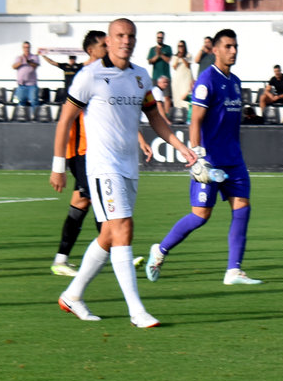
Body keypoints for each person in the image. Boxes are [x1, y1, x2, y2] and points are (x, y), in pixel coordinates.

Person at [50, 18, 197, 328]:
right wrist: (58, 166)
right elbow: (65, 121)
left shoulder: (140, 77)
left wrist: (179, 145)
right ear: (109, 39)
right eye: (119, 35)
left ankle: (72, 295)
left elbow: (154, 116)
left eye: (130, 36)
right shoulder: (89, 76)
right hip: (102, 166)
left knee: (108, 234)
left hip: (128, 166)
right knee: (124, 227)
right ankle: (136, 311)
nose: (125, 40)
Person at [145, 29, 263, 287]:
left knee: (243, 209)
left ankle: (234, 270)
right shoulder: (207, 80)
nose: (233, 51)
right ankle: (160, 250)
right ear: (216, 50)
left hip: (234, 160)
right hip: (210, 161)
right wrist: (198, 157)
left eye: (236, 46)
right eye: (228, 46)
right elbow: (195, 120)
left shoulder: (235, 81)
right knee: (200, 216)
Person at [49, 31, 153, 277]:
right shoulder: (84, 77)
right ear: (91, 50)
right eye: (102, 46)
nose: (107, 49)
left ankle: (68, 258)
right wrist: (60, 164)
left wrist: (138, 137)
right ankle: (114, 250)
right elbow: (67, 120)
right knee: (98, 203)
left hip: (96, 152)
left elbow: (117, 114)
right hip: (83, 152)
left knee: (84, 202)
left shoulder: (113, 74)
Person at [12, 41, 41, 117]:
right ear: (22, 48)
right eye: (25, 47)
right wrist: (21, 62)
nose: (26, 49)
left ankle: (36, 117)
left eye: (28, 47)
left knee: (34, 101)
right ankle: (22, 117)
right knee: (21, 102)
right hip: (21, 85)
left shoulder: (34, 57)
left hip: (32, 85)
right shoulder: (19, 58)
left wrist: (28, 61)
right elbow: (14, 66)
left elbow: (35, 65)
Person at [170, 40, 193, 110]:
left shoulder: (188, 55)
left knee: (186, 96)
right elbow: (174, 67)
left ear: (184, 47)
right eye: (179, 46)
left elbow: (188, 65)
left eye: (181, 46)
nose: (180, 48)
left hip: (186, 79)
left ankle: (188, 113)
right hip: (178, 80)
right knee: (177, 97)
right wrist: (178, 58)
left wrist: (182, 57)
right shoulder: (174, 56)